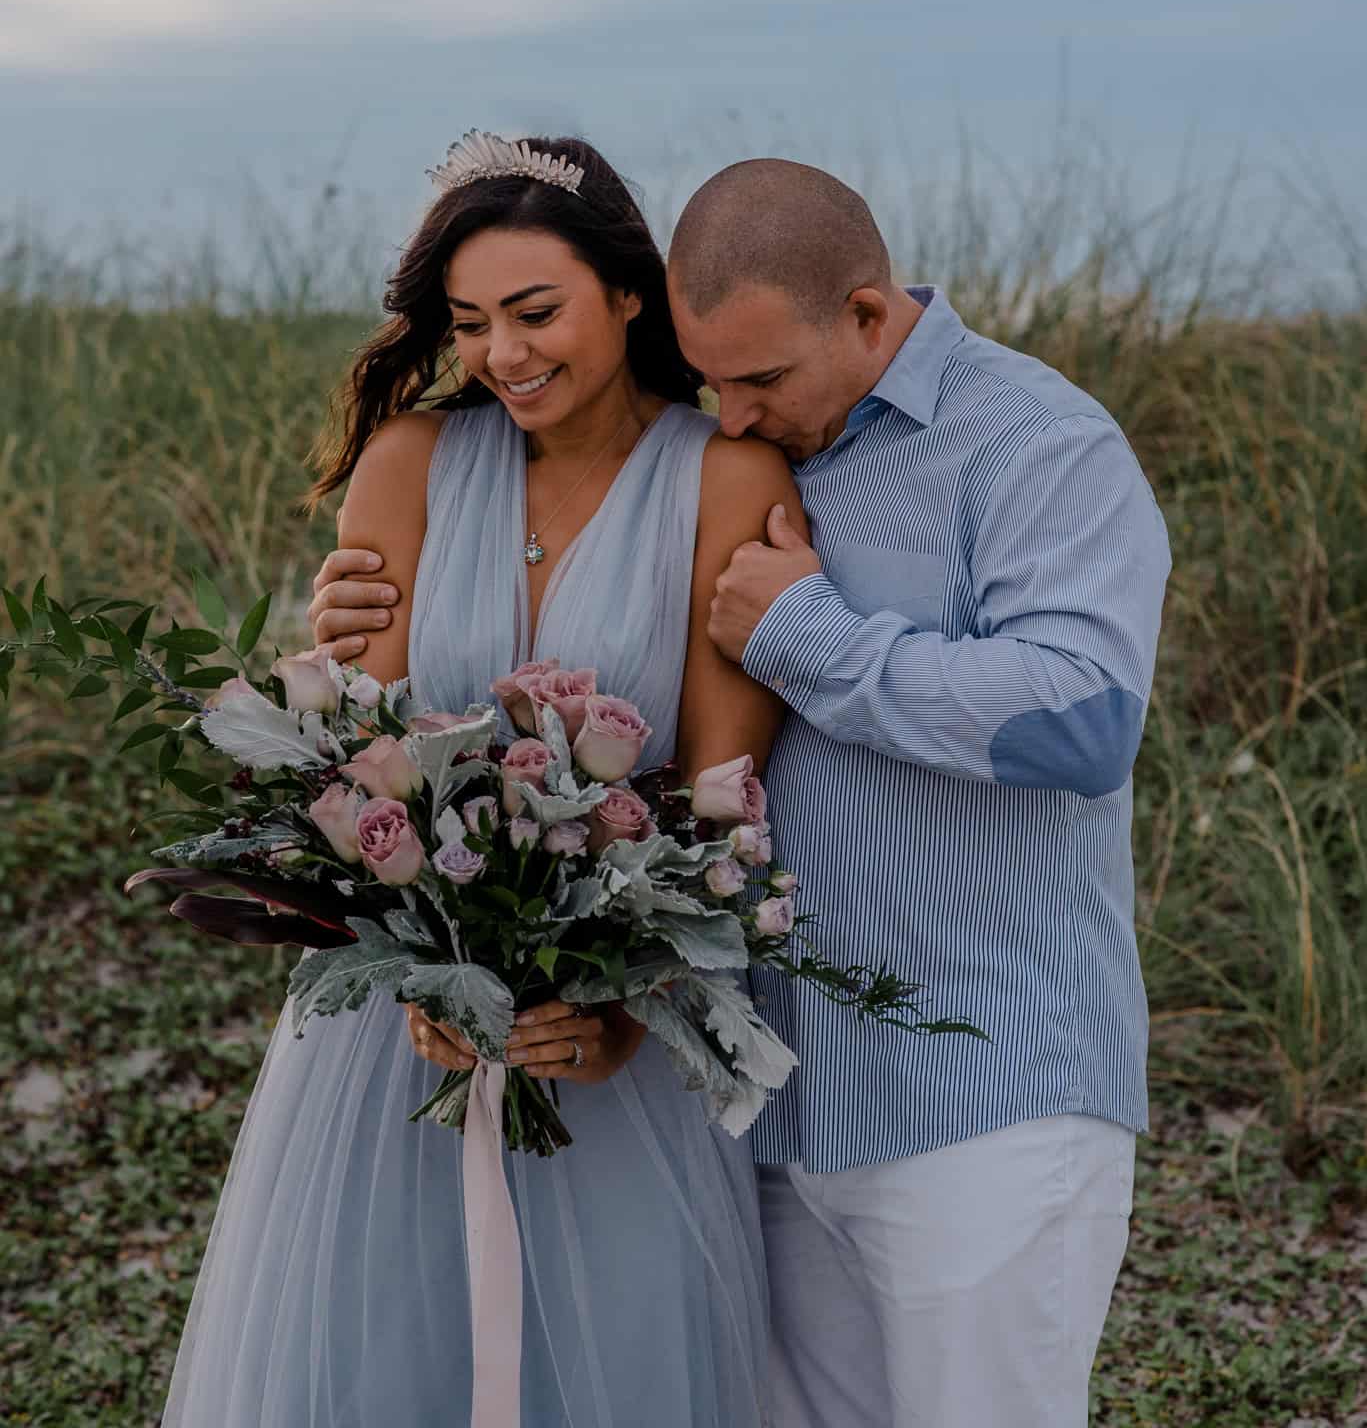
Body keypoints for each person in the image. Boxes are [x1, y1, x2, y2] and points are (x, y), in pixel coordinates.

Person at [315, 155, 1172, 1428]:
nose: (730, 416)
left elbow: (1084, 716)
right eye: (710, 379)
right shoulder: (749, 440)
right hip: (764, 1100)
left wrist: (811, 634)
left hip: (978, 1097)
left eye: (760, 380)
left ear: (870, 316)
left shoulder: (1030, 444)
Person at [163, 134, 803, 1428]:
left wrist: (622, 1013)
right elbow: (368, 753)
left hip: (619, 1019)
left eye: (533, 313)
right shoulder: (405, 465)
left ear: (629, 295)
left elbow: (721, 789)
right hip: (400, 1024)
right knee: (378, 1352)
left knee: (616, 1361)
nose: (501, 356)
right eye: (468, 325)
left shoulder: (725, 478)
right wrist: (417, 969)